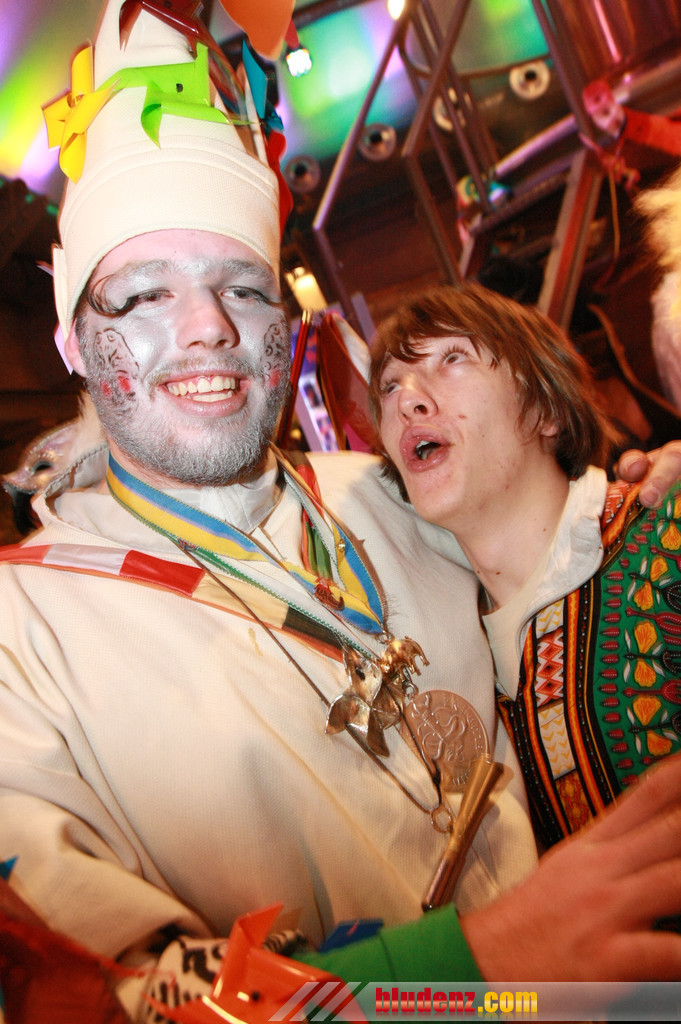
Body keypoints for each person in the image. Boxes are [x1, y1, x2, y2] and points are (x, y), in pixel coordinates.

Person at [1, 1, 681, 1020]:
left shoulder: (388, 491)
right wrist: (472, 965)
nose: (209, 326)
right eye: (143, 295)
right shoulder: (20, 639)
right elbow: (91, 1001)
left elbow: (560, 564)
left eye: (243, 286)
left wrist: (645, 497)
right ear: (70, 342)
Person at [370, 280, 681, 912]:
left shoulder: (666, 535)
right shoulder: (448, 660)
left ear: (545, 411)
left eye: (452, 359)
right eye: (389, 386)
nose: (408, 399)